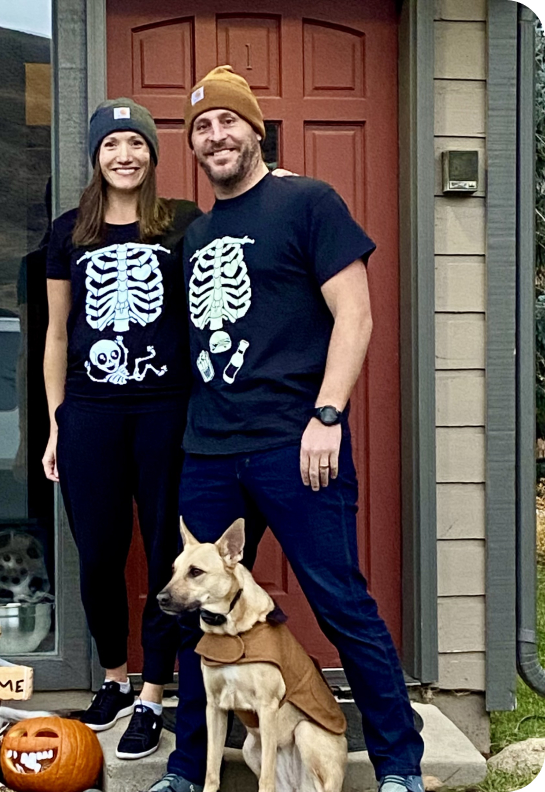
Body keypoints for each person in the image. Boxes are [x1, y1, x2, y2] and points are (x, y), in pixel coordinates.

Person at [147, 66, 425, 792]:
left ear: (255, 129)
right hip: (208, 448)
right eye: (201, 128)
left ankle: (400, 764)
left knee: (340, 601)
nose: (215, 136)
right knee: (190, 612)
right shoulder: (197, 233)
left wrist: (327, 415)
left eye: (228, 122)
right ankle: (186, 768)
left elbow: (355, 315)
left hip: (294, 442)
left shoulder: (309, 203)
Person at [42, 98, 201, 760]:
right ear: (96, 156)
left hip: (166, 408)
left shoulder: (183, 225)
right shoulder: (68, 233)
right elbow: (56, 335)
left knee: (168, 551)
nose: (124, 154)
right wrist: (57, 423)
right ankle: (113, 677)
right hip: (92, 412)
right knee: (101, 552)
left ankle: (153, 692)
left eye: (136, 143)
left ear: (152, 156)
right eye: (112, 145)